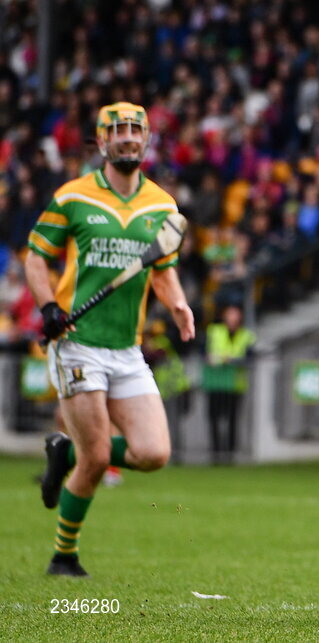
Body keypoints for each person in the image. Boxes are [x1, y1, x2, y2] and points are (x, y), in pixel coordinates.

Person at [25, 102, 195, 577]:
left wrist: (178, 303)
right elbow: (37, 258)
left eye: (135, 130)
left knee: (153, 453)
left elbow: (162, 267)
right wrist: (48, 308)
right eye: (116, 130)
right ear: (101, 142)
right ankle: (64, 555)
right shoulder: (73, 197)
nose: (126, 137)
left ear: (146, 141)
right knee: (99, 456)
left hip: (126, 347)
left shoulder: (162, 205)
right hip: (76, 340)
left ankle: (66, 452)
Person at [202, 304, 256, 463]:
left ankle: (230, 454)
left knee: (232, 419)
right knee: (214, 418)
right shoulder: (214, 331)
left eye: (235, 314)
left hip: (234, 384)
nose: (232, 318)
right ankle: (215, 454)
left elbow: (250, 357)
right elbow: (203, 352)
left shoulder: (246, 335)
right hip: (215, 382)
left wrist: (231, 360)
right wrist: (210, 358)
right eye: (230, 314)